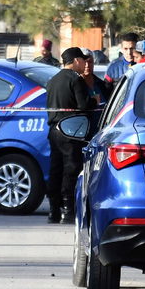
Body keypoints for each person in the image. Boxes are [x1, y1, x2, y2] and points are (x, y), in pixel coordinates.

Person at [46, 48, 98, 224]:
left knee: (55, 169)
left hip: (53, 131)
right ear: (76, 60)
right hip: (71, 132)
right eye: (83, 60)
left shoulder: (52, 80)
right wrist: (94, 101)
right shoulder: (76, 80)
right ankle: (68, 210)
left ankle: (53, 211)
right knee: (71, 169)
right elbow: (83, 106)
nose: (85, 64)